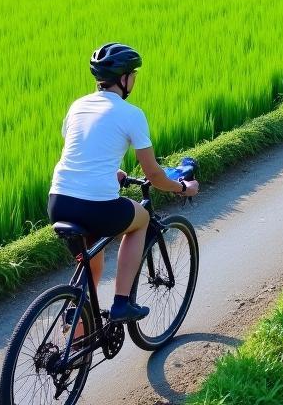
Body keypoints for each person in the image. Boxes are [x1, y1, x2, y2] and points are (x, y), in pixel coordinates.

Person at [48, 43, 199, 325]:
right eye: (134, 74)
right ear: (124, 79)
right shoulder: (131, 114)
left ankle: (76, 351)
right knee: (140, 221)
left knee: (89, 273)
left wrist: (111, 171)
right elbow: (153, 174)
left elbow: (82, 151)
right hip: (95, 206)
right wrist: (183, 188)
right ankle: (121, 303)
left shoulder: (78, 105)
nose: (135, 79)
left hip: (58, 200)